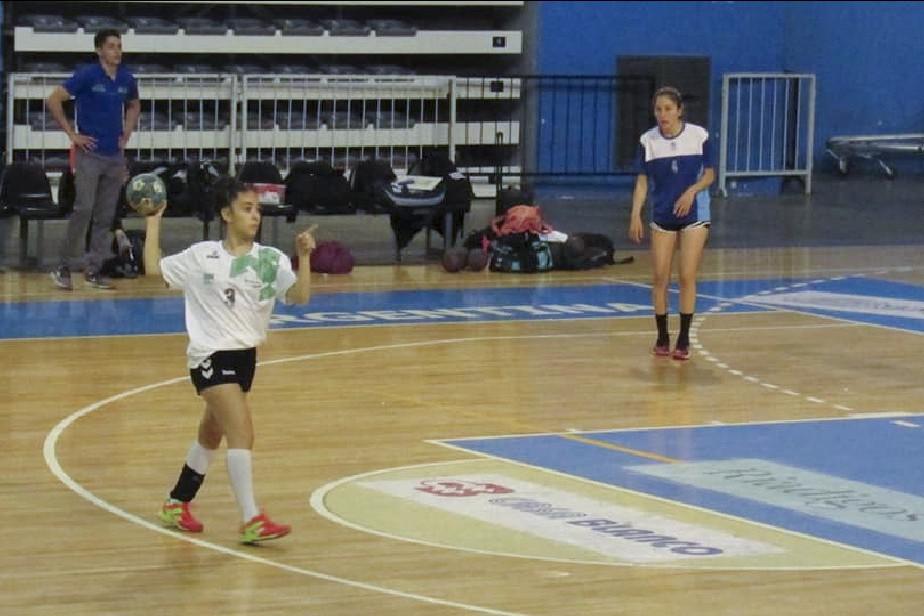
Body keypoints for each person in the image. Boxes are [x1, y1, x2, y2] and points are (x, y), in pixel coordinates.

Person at [143, 176, 316, 543]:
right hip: (210, 355)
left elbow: (299, 298)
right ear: (226, 214)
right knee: (242, 433)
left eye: (258, 210)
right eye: (247, 209)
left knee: (210, 434)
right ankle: (251, 517)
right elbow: (153, 269)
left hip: (245, 359)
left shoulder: (270, 260)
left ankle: (176, 502)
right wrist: (153, 220)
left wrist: (304, 257)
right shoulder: (202, 256)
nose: (255, 216)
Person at [48, 28, 140, 291]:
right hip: (89, 153)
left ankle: (94, 269)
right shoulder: (87, 75)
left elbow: (134, 104)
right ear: (99, 50)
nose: (117, 51)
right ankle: (63, 266)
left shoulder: (125, 78)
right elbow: (54, 99)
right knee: (83, 209)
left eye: (119, 46)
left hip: (114, 155)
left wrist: (127, 132)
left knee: (106, 215)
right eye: (112, 46)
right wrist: (72, 134)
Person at [628, 86, 715, 361]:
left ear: (679, 110)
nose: (662, 114)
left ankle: (684, 338)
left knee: (687, 275)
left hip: (694, 213)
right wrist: (635, 214)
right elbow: (642, 182)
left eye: (667, 109)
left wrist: (691, 191)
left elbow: (710, 175)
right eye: (658, 109)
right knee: (659, 277)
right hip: (663, 212)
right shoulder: (648, 141)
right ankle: (662, 336)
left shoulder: (698, 136)